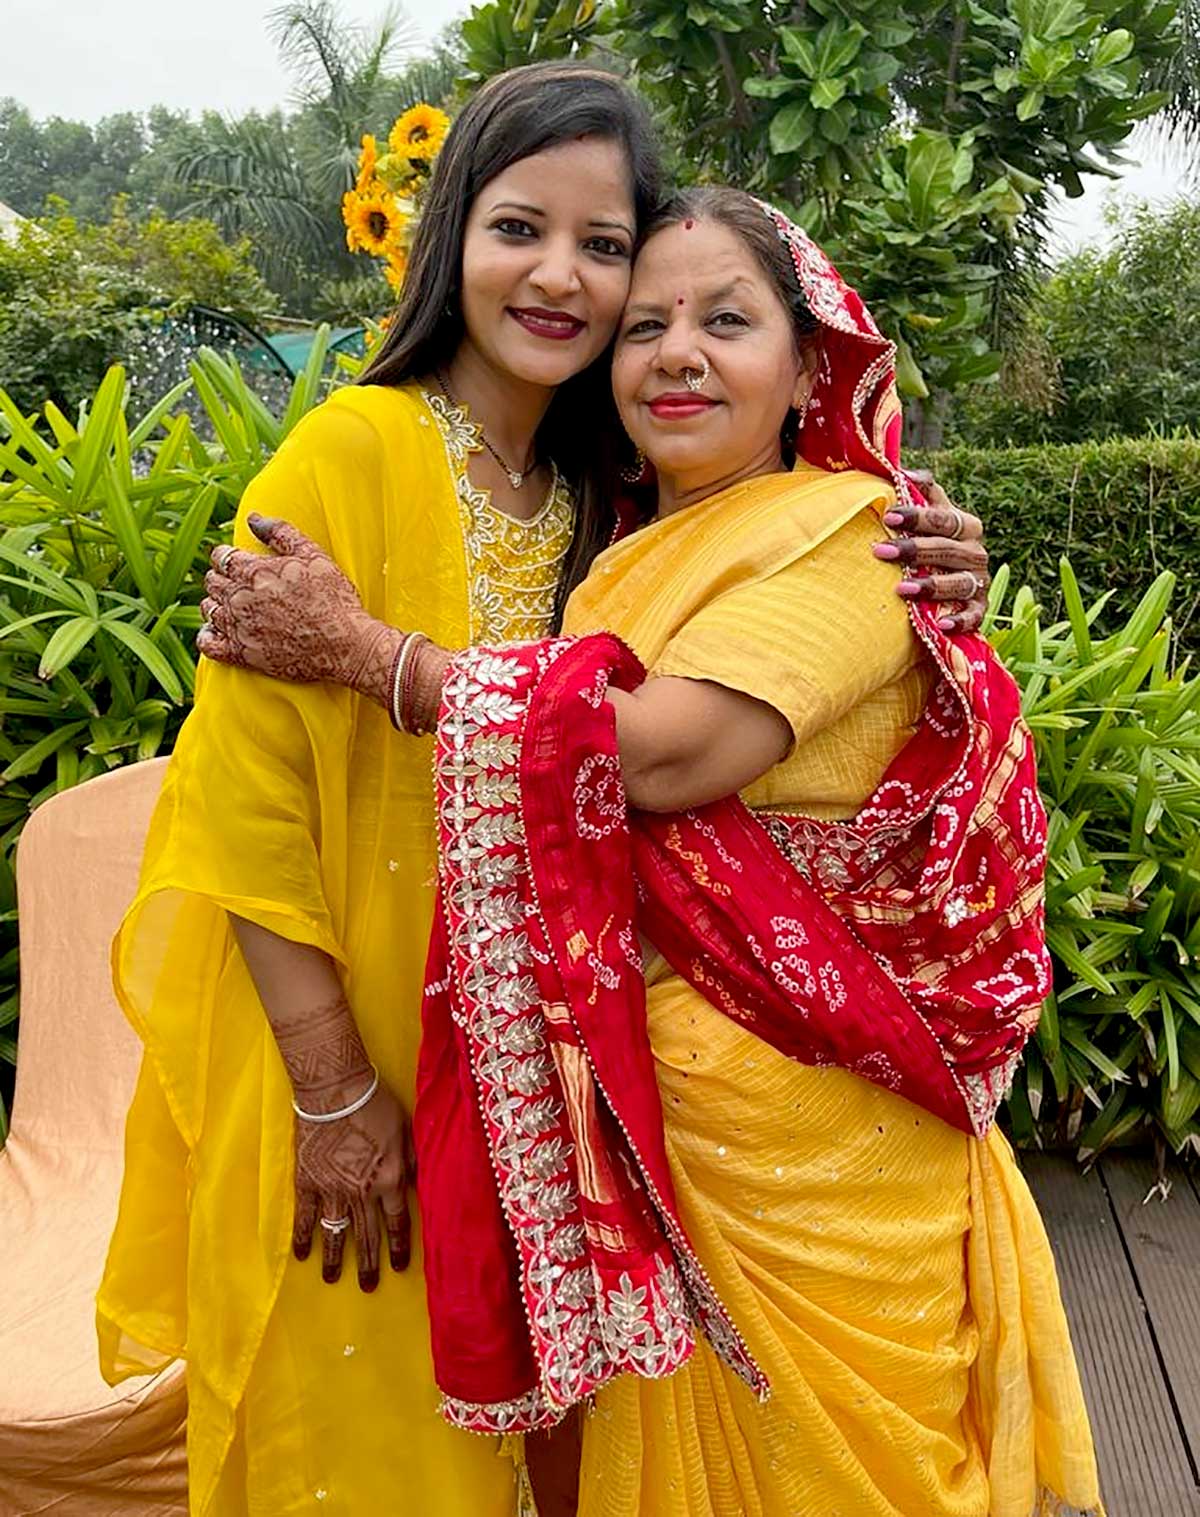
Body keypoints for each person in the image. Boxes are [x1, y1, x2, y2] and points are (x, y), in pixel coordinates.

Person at [97, 62, 992, 1517]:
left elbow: (695, 694)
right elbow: (242, 798)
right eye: (522, 228)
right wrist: (333, 1093)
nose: (561, 277)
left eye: (606, 250)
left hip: (528, 1083)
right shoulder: (354, 447)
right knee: (358, 1447)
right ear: (451, 234)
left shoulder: (604, 500)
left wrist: (940, 549)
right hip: (355, 1055)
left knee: (501, 1457)